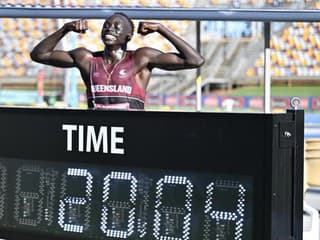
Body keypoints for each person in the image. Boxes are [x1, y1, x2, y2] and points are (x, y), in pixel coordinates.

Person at [30, 13, 204, 110]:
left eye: (116, 26)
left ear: (128, 36)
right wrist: (65, 29)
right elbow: (39, 55)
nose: (109, 29)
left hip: (132, 132)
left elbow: (195, 60)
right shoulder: (87, 59)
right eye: (106, 25)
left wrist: (161, 29)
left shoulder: (141, 58)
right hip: (98, 135)